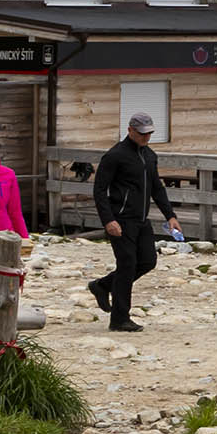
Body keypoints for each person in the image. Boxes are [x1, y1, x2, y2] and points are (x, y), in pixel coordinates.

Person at [88, 111, 179, 333]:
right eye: (141, 134)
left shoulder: (150, 156)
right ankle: (120, 319)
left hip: (141, 220)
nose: (146, 138)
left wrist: (170, 215)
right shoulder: (115, 156)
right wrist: (108, 220)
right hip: (120, 220)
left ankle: (103, 285)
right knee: (127, 264)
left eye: (149, 134)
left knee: (147, 261)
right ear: (130, 130)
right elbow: (99, 190)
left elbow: (157, 187)